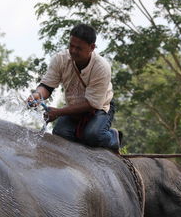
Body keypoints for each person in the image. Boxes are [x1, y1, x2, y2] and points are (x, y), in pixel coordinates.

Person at [27, 23, 121, 152]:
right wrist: (37, 95)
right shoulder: (60, 59)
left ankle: (111, 136)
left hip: (100, 108)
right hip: (73, 108)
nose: (73, 51)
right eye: (71, 46)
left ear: (92, 47)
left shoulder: (101, 67)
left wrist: (58, 113)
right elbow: (47, 86)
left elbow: (92, 104)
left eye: (79, 48)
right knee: (60, 134)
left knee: (92, 135)